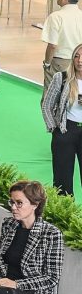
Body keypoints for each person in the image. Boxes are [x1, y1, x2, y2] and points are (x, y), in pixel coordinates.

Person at [42, 43, 82, 196]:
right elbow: (47, 105)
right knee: (62, 181)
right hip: (66, 130)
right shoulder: (62, 77)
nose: (79, 60)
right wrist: (54, 128)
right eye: (76, 56)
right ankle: (63, 209)